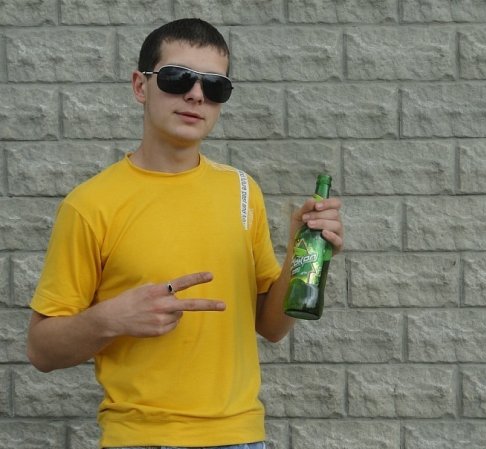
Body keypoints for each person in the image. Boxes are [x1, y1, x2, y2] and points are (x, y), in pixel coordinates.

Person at [26, 18, 344, 449]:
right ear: (140, 86)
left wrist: (301, 253)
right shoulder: (90, 204)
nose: (196, 95)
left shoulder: (242, 190)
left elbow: (271, 327)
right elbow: (41, 351)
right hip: (143, 440)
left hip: (242, 438)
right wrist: (111, 318)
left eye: (215, 86)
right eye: (177, 78)